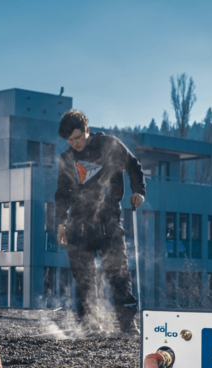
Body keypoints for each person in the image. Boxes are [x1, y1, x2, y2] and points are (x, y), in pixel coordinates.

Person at [55, 110, 145, 337]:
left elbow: (133, 165)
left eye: (77, 138)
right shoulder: (66, 159)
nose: (74, 143)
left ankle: (128, 325)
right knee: (84, 279)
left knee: (119, 274)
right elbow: (62, 194)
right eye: (70, 140)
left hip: (109, 222)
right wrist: (60, 223)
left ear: (87, 129)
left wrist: (138, 192)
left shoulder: (110, 145)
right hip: (78, 225)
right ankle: (89, 325)